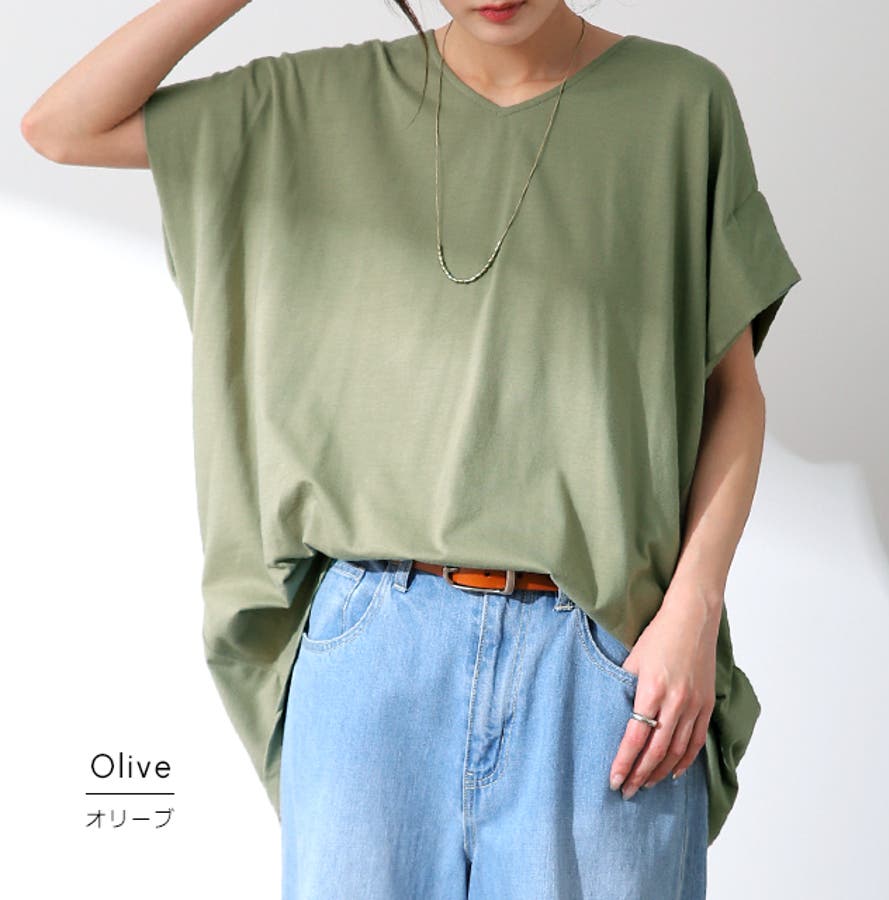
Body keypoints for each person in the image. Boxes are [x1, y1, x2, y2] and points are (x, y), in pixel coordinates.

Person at [21, 0, 802, 896]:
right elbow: (63, 127)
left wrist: (693, 611)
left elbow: (733, 394)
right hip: (375, 654)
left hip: (602, 659)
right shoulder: (319, 102)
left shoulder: (679, 104)